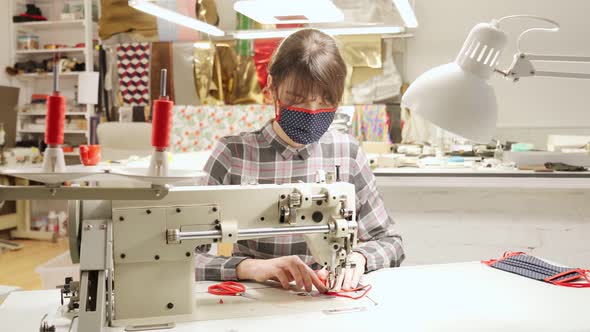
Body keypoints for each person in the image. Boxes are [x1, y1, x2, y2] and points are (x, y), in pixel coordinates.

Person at [196, 28, 404, 293]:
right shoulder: (234, 154)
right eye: (297, 99)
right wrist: (249, 267)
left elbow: (390, 242)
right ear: (272, 88)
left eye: (326, 100)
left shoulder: (347, 152)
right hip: (257, 303)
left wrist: (359, 258)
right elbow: (183, 256)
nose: (313, 111)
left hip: (328, 300)